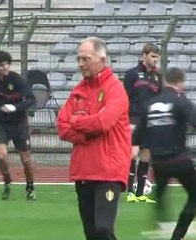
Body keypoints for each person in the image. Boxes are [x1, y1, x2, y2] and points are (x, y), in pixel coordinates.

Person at [57, 37, 131, 240]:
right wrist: (84, 133)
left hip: (108, 171)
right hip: (83, 170)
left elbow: (103, 122)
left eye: (86, 59)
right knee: (91, 233)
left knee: (103, 230)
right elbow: (62, 127)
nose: (81, 64)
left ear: (102, 60)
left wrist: (77, 122)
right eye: (79, 59)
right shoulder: (78, 91)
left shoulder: (115, 89)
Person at [135, 67, 196, 240]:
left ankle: (158, 217)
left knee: (161, 188)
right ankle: (177, 235)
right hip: (179, 159)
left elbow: (139, 133)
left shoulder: (150, 104)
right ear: (180, 82)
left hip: (158, 162)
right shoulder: (180, 100)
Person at [0, 50, 37, 200]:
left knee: (26, 159)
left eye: (7, 64)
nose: (5, 67)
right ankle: (7, 181)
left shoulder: (18, 80)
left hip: (19, 124)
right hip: (0, 124)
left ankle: (30, 187)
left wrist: (15, 107)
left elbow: (31, 100)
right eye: (1, 65)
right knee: (1, 156)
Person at [124, 43, 162, 203]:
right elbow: (125, 97)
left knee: (146, 154)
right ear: (144, 55)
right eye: (153, 56)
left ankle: (140, 193)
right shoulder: (132, 74)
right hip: (134, 117)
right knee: (133, 153)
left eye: (157, 57)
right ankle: (130, 191)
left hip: (150, 120)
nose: (155, 60)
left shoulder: (158, 77)